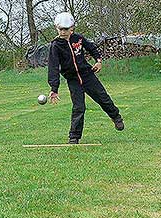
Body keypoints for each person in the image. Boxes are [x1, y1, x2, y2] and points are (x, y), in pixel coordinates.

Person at [48, 12, 124, 144]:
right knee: (79, 107)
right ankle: (74, 136)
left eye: (66, 29)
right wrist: (54, 89)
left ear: (72, 28)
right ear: (56, 28)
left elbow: (92, 48)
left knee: (103, 98)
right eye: (61, 29)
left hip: (87, 75)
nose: (63, 32)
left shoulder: (78, 39)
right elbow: (53, 68)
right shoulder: (55, 46)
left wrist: (98, 61)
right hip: (73, 80)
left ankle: (116, 117)